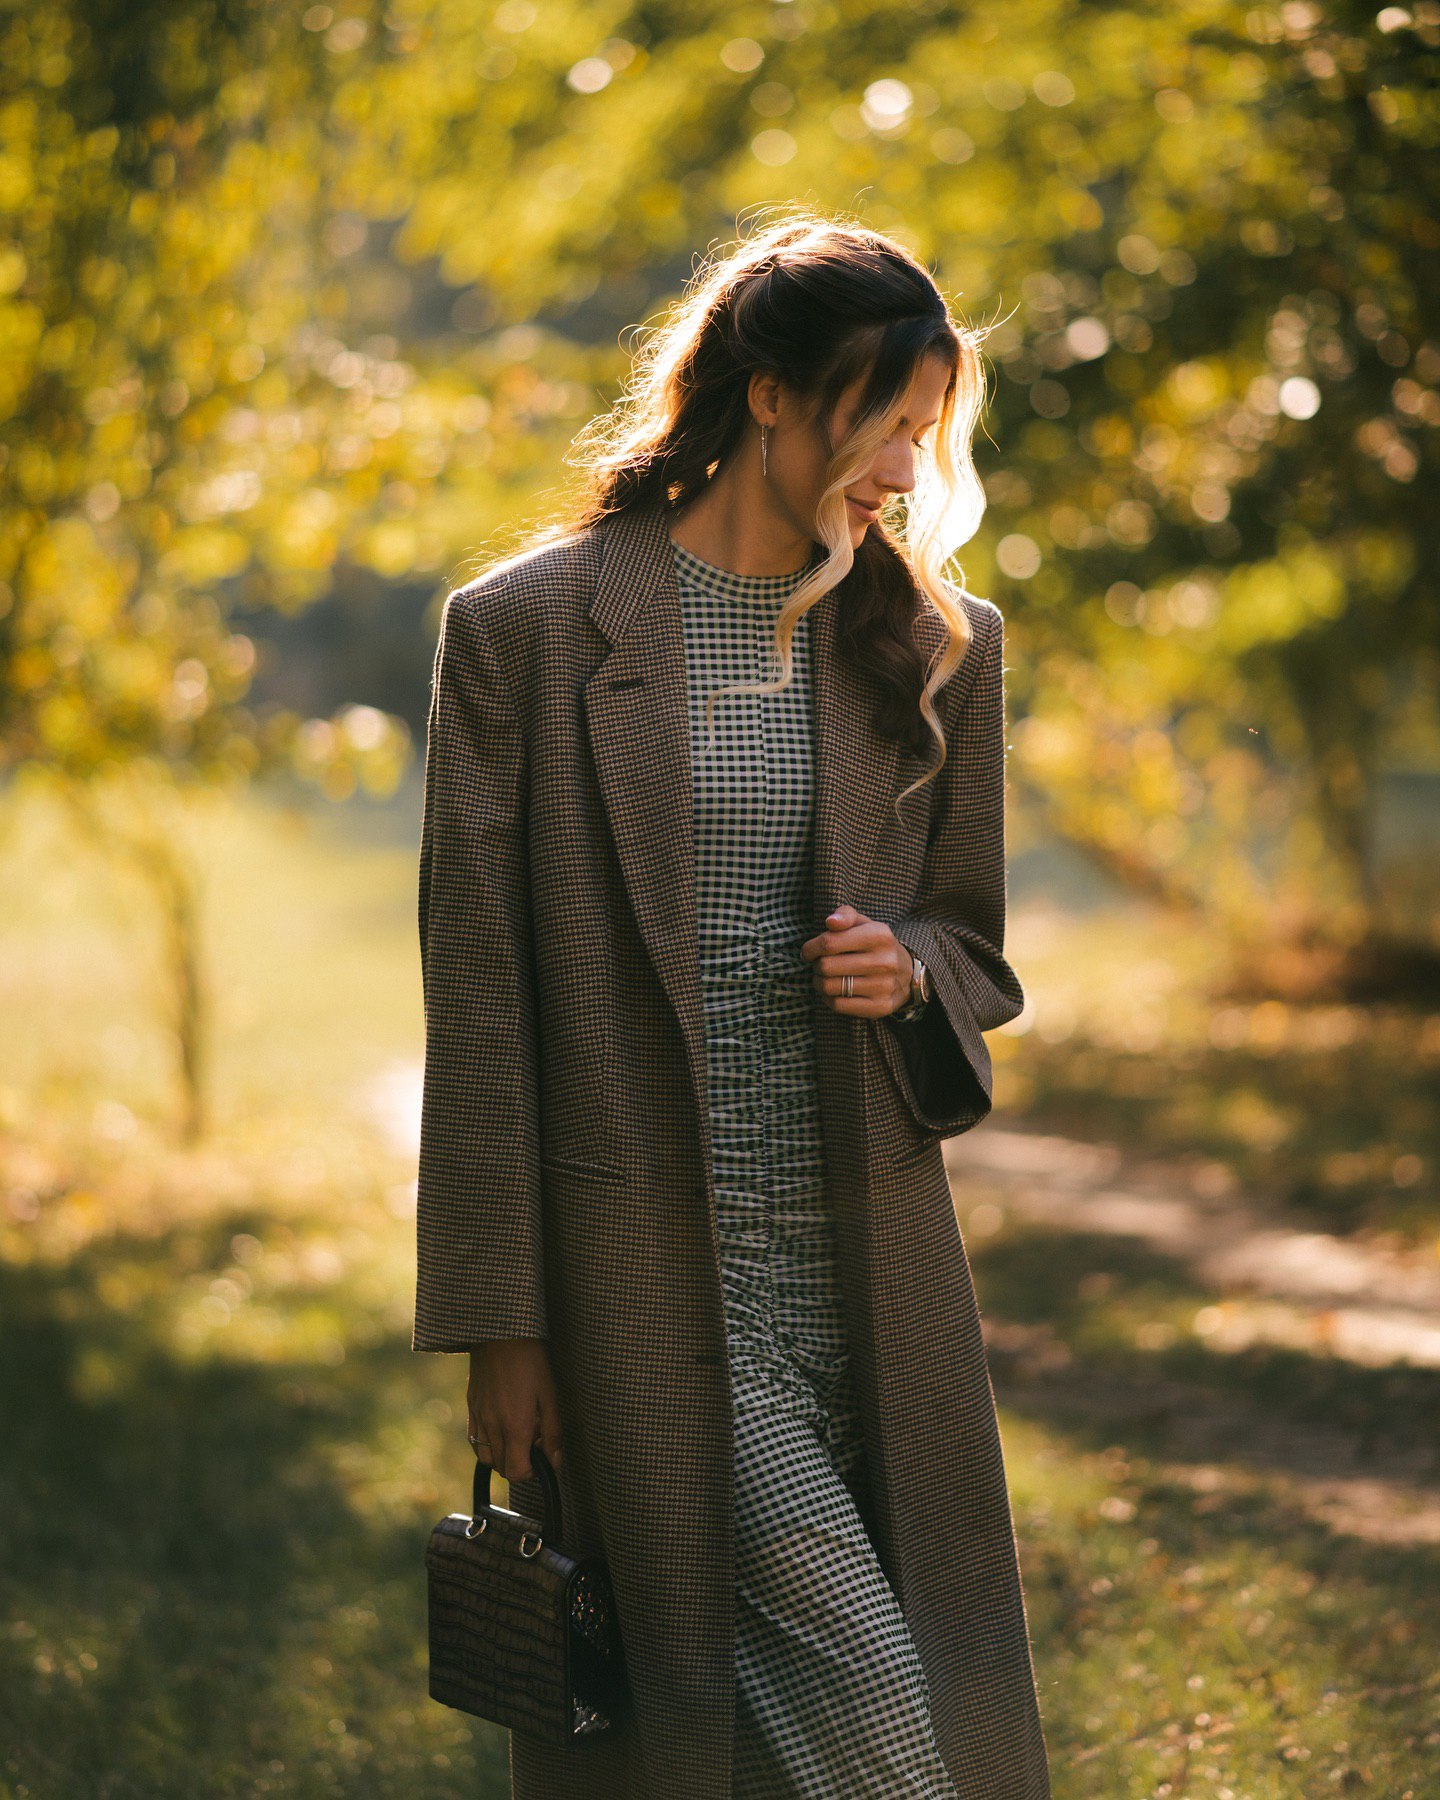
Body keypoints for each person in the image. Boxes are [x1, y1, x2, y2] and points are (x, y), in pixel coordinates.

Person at [413, 210, 1051, 1800]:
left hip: (873, 1271)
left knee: (796, 1737)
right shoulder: (524, 632)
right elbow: (479, 1003)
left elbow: (972, 946)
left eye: (925, 431)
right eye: (880, 423)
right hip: (647, 1280)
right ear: (768, 395)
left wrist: (909, 968)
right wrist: (501, 1322)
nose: (904, 471)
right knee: (880, 1726)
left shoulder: (939, 644)